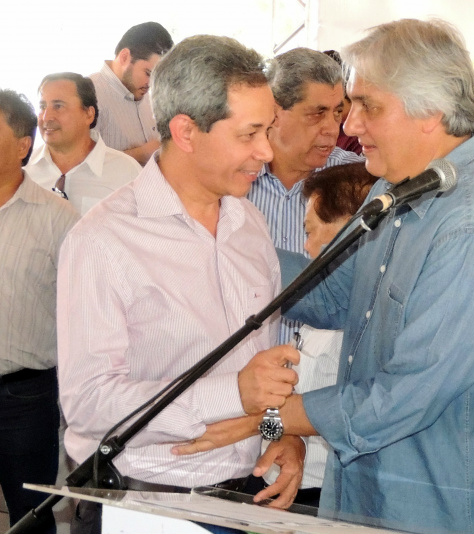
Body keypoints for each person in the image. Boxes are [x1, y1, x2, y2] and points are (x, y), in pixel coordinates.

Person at [176, 19, 474, 534]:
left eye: (367, 106)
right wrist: (225, 240)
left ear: (431, 113)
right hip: (375, 497)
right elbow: (331, 294)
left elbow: (404, 397)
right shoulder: (403, 187)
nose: (350, 126)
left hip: (447, 511)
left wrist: (268, 418)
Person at [58, 35, 301, 534]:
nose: (265, 150)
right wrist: (230, 394)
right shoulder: (103, 241)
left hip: (248, 498)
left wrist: (281, 435)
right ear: (186, 131)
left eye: (269, 130)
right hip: (144, 507)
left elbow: (266, 377)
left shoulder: (249, 226)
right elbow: (88, 406)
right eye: (250, 133)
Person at [262, 162, 378, 508]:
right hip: (281, 488)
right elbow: (272, 408)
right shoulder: (315, 321)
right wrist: (285, 435)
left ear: (350, 231)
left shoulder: (372, 332)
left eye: (312, 232)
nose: (306, 247)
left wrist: (284, 425)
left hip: (332, 500)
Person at [0, 89, 78, 533]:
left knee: (32, 520)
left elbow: (83, 312)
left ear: (22, 145)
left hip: (25, 401)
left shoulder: (58, 219)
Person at [247, 47, 362, 345]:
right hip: (247, 375)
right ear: (274, 112)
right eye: (317, 113)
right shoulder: (232, 184)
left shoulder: (359, 182)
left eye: (337, 112)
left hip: (328, 379)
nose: (332, 129)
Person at [25, 73, 141, 215]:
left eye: (58, 106)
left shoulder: (127, 172)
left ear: (89, 114)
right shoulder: (23, 169)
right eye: (42, 106)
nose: (46, 117)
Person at [90, 22, 173, 165]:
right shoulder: (87, 95)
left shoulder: (149, 94)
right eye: (148, 73)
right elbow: (77, 167)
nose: (152, 84)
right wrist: (138, 155)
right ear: (124, 57)